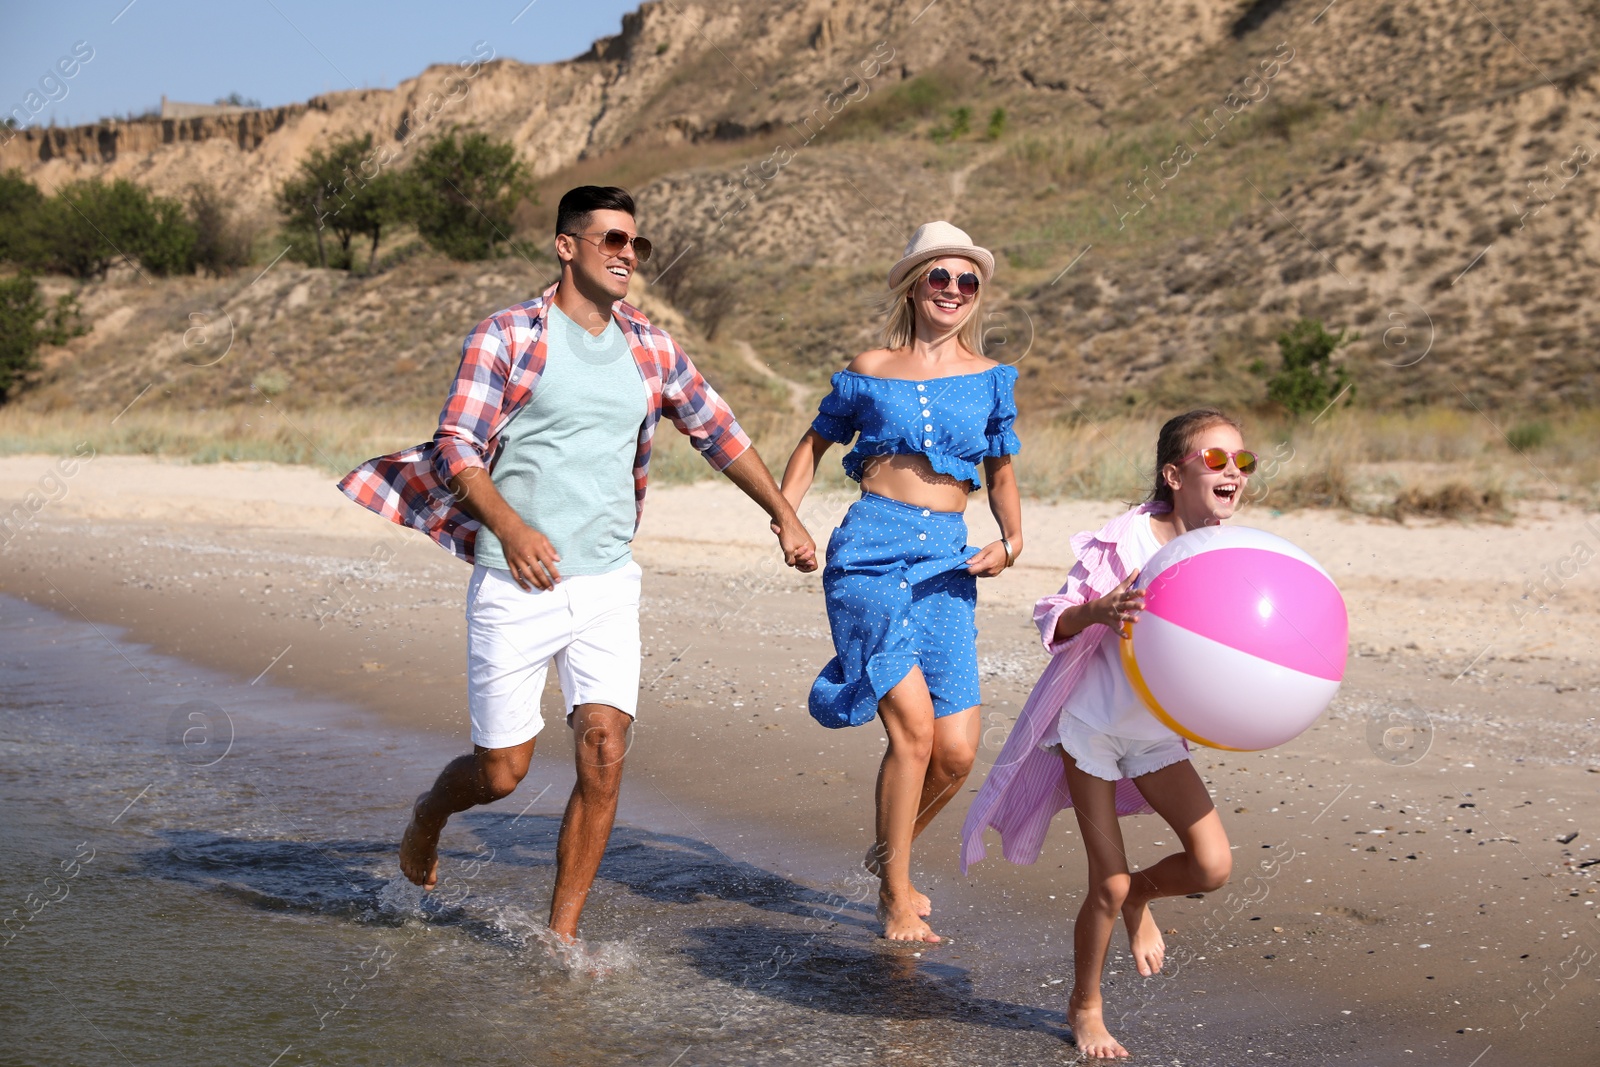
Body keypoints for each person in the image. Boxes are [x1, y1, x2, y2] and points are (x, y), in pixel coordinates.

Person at [338, 185, 817, 942]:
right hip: (513, 576)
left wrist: (783, 513)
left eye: (637, 244)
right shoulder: (507, 335)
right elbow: (457, 445)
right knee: (502, 773)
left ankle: (559, 937)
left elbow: (717, 430)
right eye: (612, 240)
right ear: (567, 246)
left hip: (605, 580)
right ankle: (429, 814)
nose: (629, 254)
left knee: (603, 749)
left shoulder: (650, 348)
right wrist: (513, 528)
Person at [960, 408, 1252, 1059]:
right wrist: (1099, 608)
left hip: (1153, 736)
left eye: (1242, 461)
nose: (1232, 471)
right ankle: (1085, 1004)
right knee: (1107, 881)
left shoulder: (1230, 556)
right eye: (1215, 459)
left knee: (1212, 864)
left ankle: (1143, 893)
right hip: (1090, 730)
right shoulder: (1127, 543)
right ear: (1175, 473)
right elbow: (1054, 616)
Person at [777, 221, 1023, 944]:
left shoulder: (992, 378)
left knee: (956, 749)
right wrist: (786, 518)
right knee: (913, 731)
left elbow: (1003, 472)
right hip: (870, 552)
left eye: (966, 281)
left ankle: (891, 852)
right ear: (916, 286)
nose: (953, 290)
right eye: (940, 278)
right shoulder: (870, 366)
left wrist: (1010, 544)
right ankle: (893, 892)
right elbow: (814, 442)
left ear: (976, 296)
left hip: (949, 559)